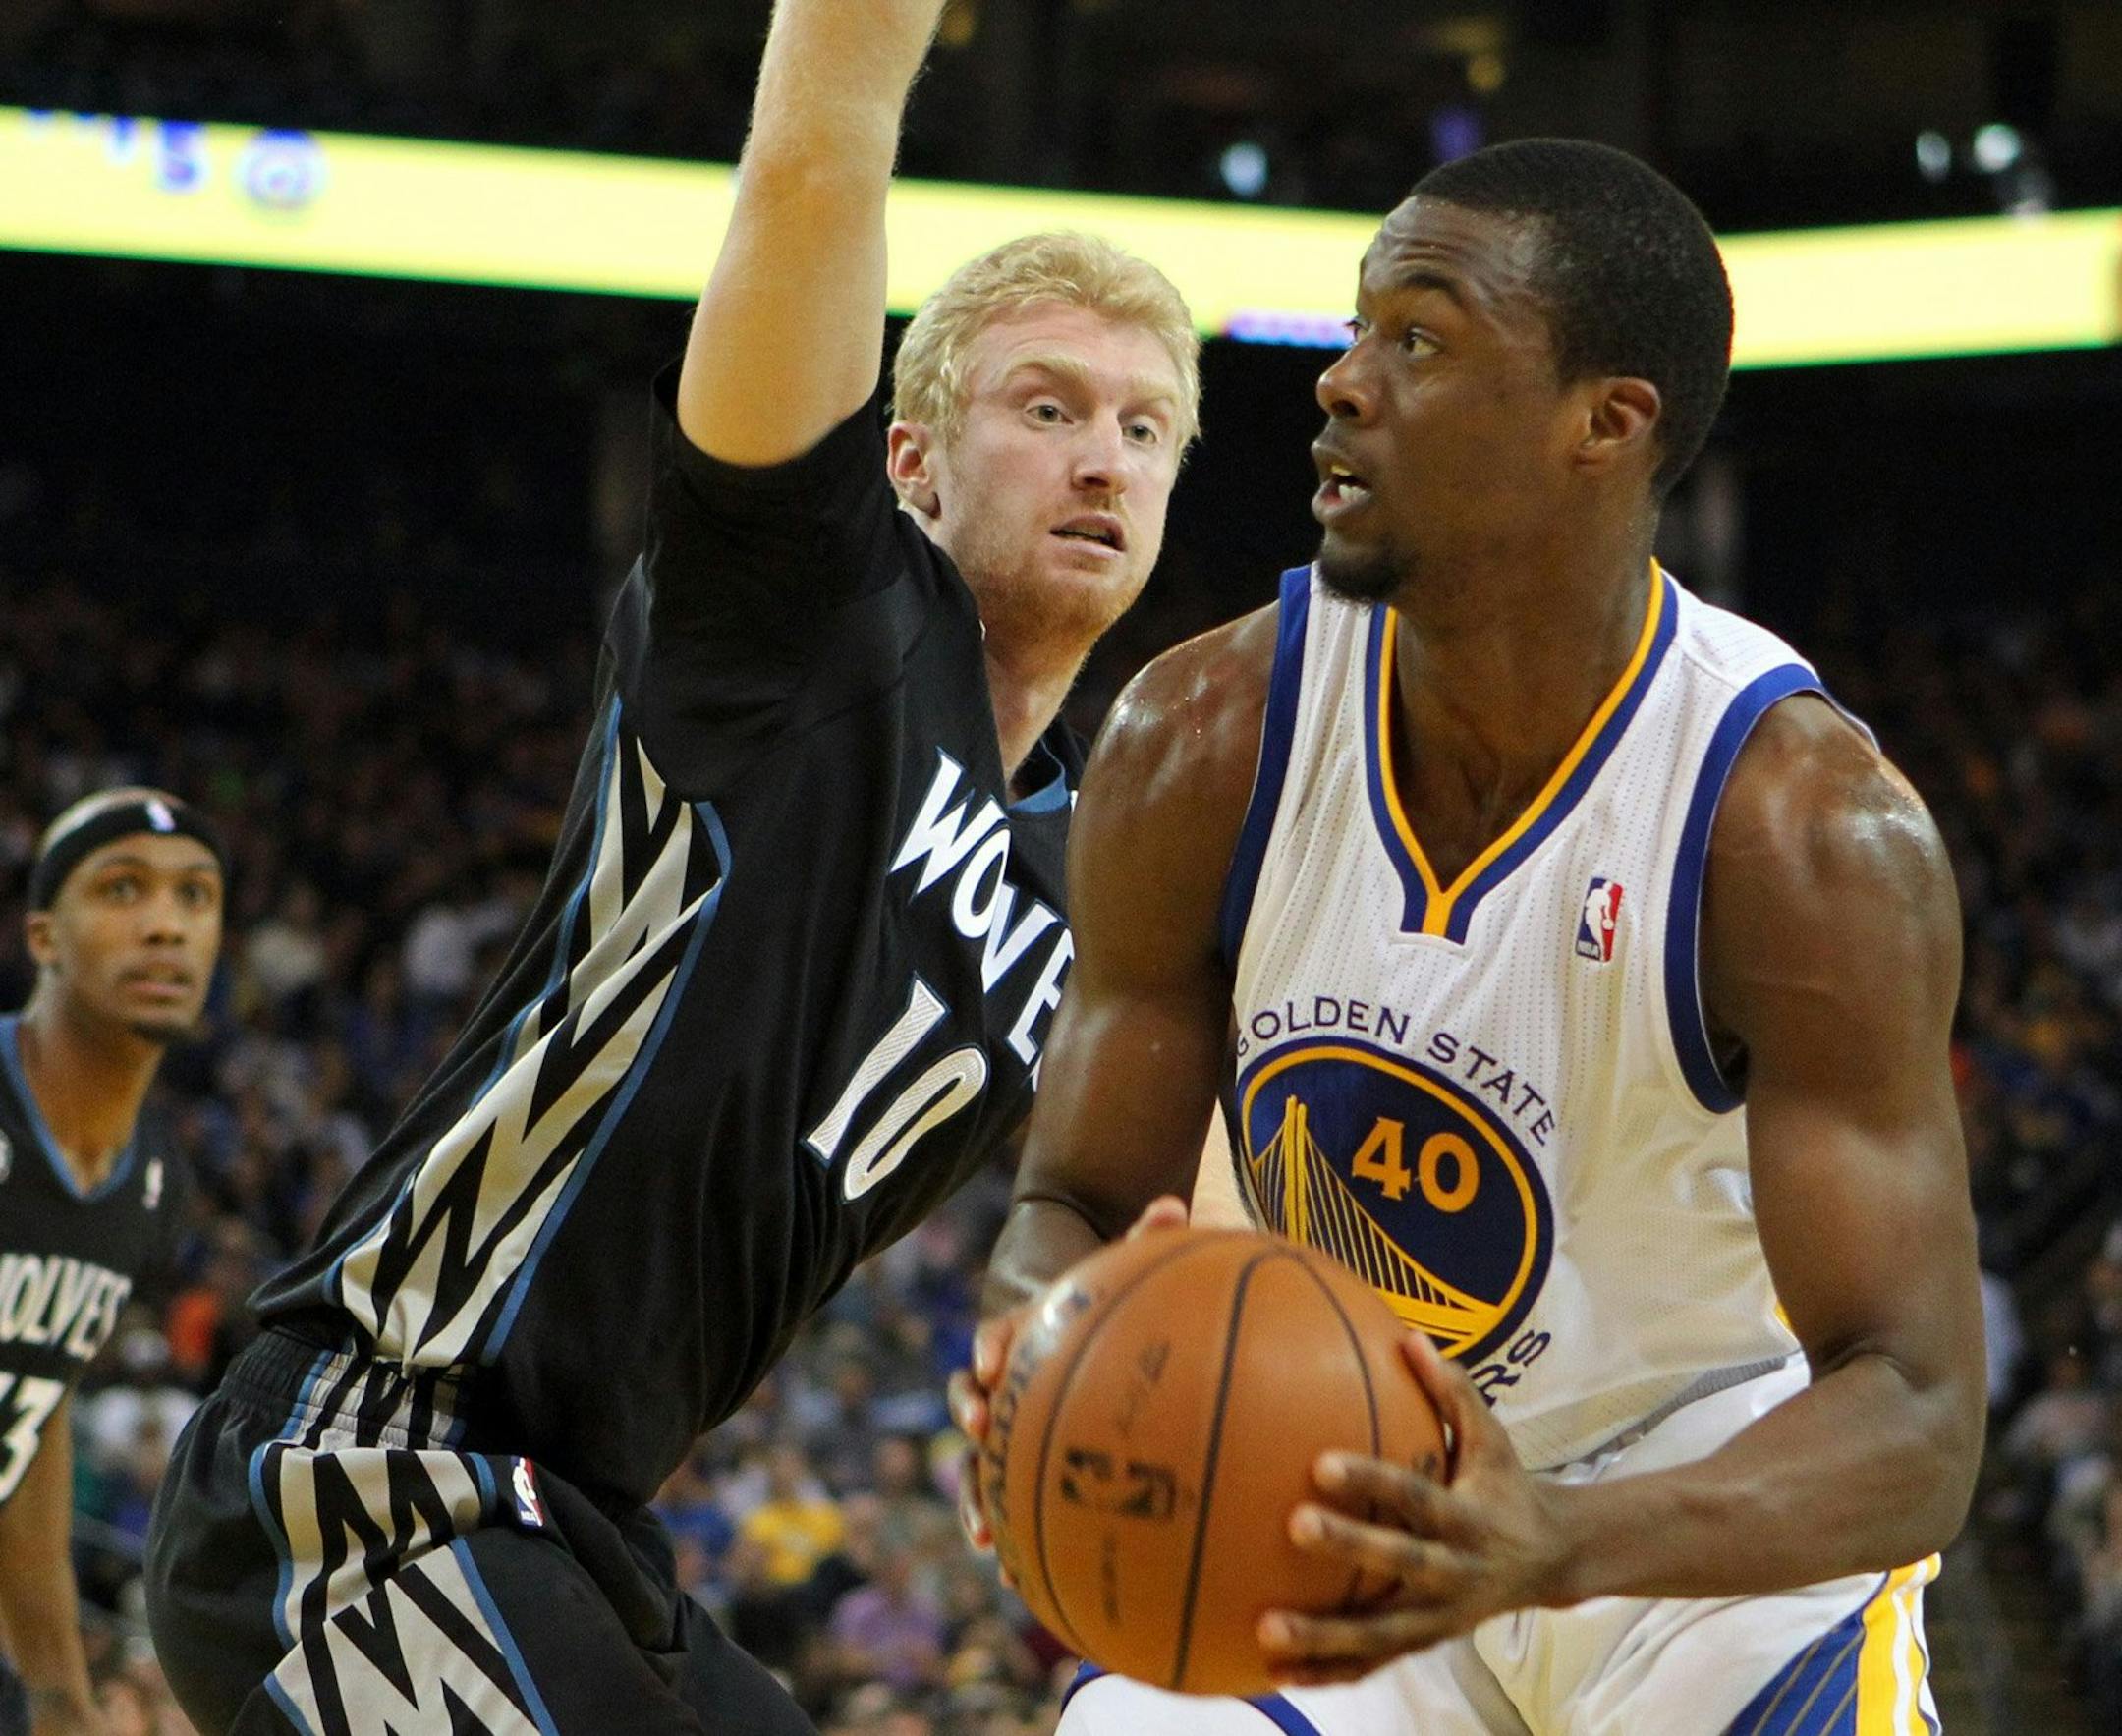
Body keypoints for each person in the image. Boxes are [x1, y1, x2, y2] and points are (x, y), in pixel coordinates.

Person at [141, 0, 1199, 1728]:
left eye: (1148, 429)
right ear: (911, 461)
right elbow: (812, 156)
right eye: (1050, 404)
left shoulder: (1097, 878)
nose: (1105, 455)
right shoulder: (807, 615)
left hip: (578, 1528)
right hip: (366, 1464)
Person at [956, 139, 1984, 1734]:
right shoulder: (1202, 737)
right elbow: (1075, 1200)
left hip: (1698, 1537)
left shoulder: (1798, 830)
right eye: (1358, 329)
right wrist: (1042, 1342)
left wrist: (1556, 1538)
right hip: (1348, 1487)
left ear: (1604, 423)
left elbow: (1917, 1411)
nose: (1342, 383)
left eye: (1420, 339)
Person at [0, 788, 226, 1736]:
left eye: (195, 895)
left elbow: (32, 1414)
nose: (165, 926)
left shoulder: (156, 1181)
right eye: (122, 888)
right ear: (43, 936)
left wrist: (58, 1691)